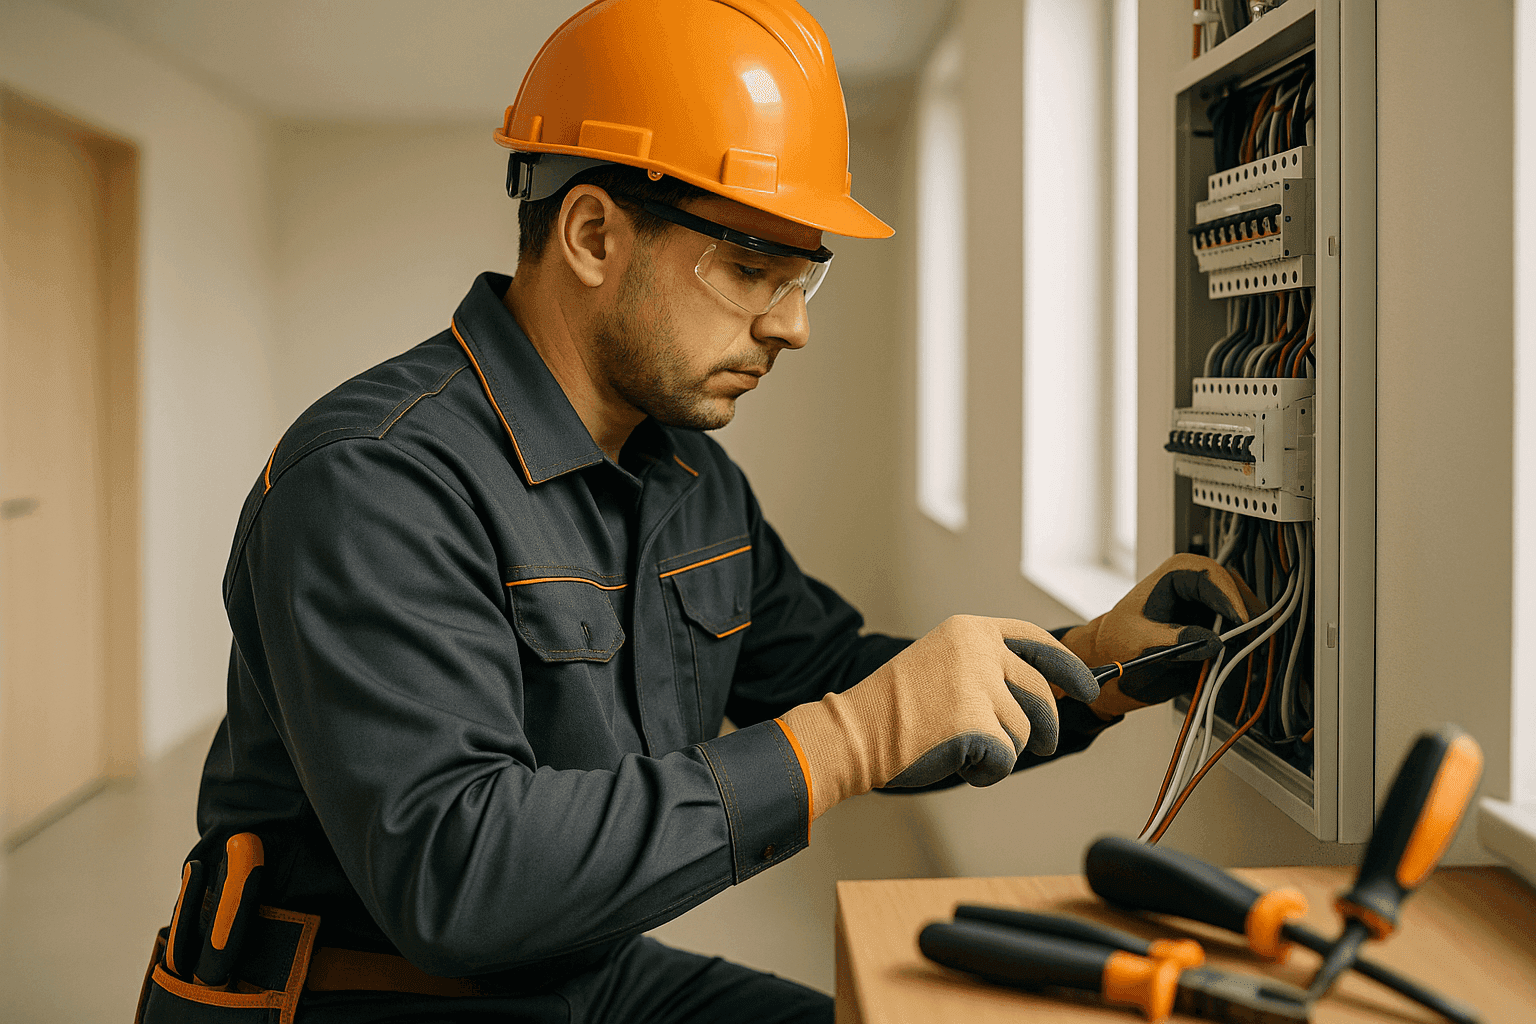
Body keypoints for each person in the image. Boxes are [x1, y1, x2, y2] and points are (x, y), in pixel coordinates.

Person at [134, 2, 1256, 1022]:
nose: (792, 327)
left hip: (580, 971)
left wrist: (1099, 659)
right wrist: (853, 739)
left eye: (803, 275)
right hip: (355, 995)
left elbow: (846, 676)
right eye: (749, 265)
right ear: (589, 234)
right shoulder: (375, 480)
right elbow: (459, 877)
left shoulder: (687, 476)